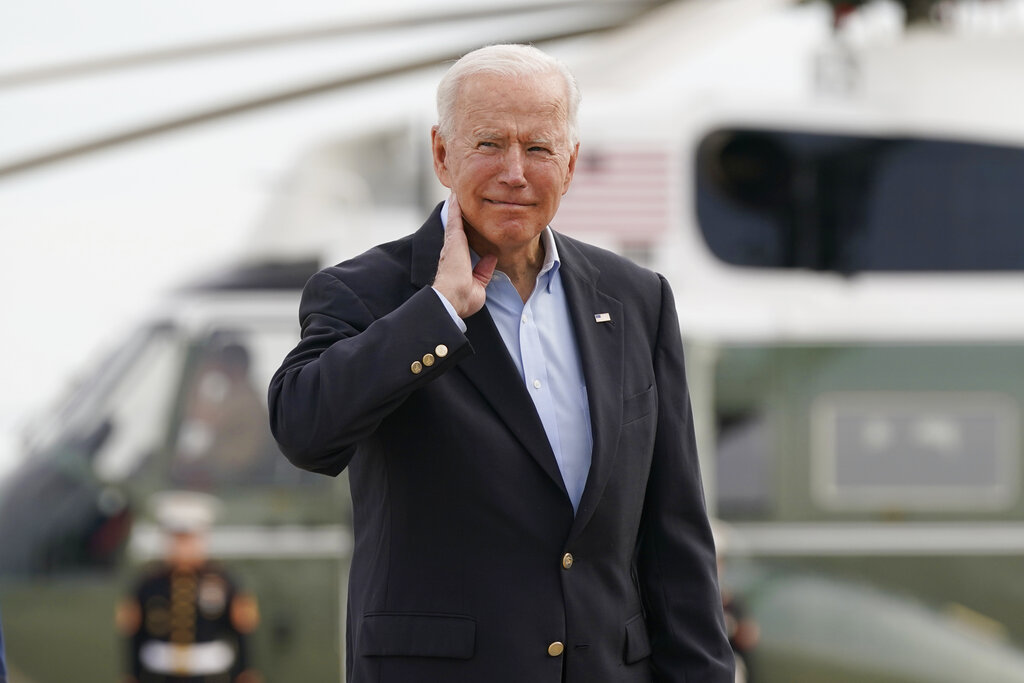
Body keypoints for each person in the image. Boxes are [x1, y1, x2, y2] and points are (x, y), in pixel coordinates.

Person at [269, 43, 735, 683]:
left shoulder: (636, 300)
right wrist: (437, 313)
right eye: (489, 144)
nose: (515, 171)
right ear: (442, 154)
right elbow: (304, 431)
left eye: (539, 149)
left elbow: (676, 535)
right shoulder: (366, 293)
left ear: (570, 165)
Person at [116, 492, 262, 683]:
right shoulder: (148, 584)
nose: (183, 547)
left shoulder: (224, 582)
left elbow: (242, 631)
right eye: (177, 539)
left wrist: (245, 672)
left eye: (189, 539)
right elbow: (134, 635)